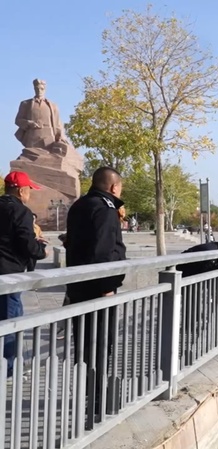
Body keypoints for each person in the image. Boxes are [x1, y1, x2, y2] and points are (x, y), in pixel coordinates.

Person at [64, 166, 126, 426]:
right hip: (98, 289)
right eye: (120, 188)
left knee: (85, 345)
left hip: (78, 287)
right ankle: (97, 400)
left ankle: (87, 394)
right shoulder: (105, 209)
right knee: (100, 345)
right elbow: (103, 252)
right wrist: (107, 286)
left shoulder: (79, 205)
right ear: (113, 187)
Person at [0, 171, 48, 375]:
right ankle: (8, 369)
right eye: (29, 189)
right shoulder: (20, 211)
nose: (30, 193)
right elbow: (26, 244)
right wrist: (41, 250)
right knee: (11, 321)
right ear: (21, 190)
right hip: (10, 274)